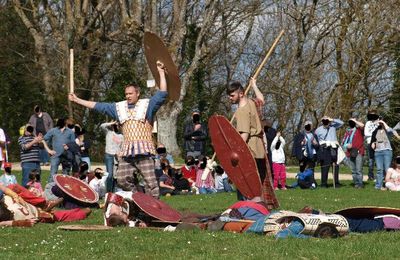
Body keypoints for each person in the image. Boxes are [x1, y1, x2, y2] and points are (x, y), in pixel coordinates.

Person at [69, 61, 168, 198]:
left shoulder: (147, 105)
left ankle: (156, 210)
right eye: (126, 94)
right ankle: (139, 196)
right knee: (121, 180)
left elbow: (162, 94)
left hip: (144, 151)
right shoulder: (119, 108)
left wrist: (161, 72)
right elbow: (99, 106)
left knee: (151, 183)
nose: (128, 96)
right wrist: (78, 100)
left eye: (130, 93)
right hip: (127, 153)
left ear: (137, 93)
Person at [0, 184, 90, 227]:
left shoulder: (5, 198)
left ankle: (44, 204)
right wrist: (18, 223)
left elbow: (2, 187)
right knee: (53, 216)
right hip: (33, 214)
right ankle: (82, 212)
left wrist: (15, 196)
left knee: (12, 187)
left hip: (23, 203)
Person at [314, 116, 344, 188]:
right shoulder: (318, 130)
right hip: (324, 149)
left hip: (333, 148)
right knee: (325, 167)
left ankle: (336, 183)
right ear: (322, 122)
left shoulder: (333, 127)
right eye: (324, 121)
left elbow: (342, 123)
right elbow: (316, 140)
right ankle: (324, 183)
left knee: (335, 166)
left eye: (327, 121)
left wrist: (332, 119)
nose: (326, 123)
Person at [371, 119, 395, 190]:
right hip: (378, 152)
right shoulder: (376, 131)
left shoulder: (388, 131)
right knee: (379, 169)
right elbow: (373, 139)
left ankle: (387, 185)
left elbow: (390, 130)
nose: (380, 124)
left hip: (387, 151)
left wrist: (383, 122)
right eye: (379, 123)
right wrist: (373, 143)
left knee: (387, 169)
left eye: (381, 123)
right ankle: (378, 185)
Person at [100, 121, 124, 192]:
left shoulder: (121, 136)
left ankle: (114, 192)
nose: (117, 126)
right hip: (109, 155)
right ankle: (109, 192)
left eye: (119, 125)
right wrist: (111, 123)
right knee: (109, 175)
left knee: (115, 176)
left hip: (117, 157)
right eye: (116, 125)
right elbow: (102, 126)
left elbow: (123, 147)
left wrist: (120, 154)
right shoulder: (108, 132)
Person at [342, 118, 365, 189]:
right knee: (353, 170)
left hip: (358, 152)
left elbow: (362, 125)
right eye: (350, 122)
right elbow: (343, 142)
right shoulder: (347, 132)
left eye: (353, 122)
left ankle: (360, 184)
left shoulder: (359, 130)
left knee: (359, 170)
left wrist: (355, 121)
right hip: (350, 153)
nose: (351, 123)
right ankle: (356, 183)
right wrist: (347, 146)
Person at [364, 109, 380, 181]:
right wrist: (374, 134)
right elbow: (366, 133)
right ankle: (370, 175)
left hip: (378, 143)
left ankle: (379, 176)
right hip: (369, 142)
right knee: (371, 160)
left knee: (379, 160)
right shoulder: (368, 123)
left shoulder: (379, 122)